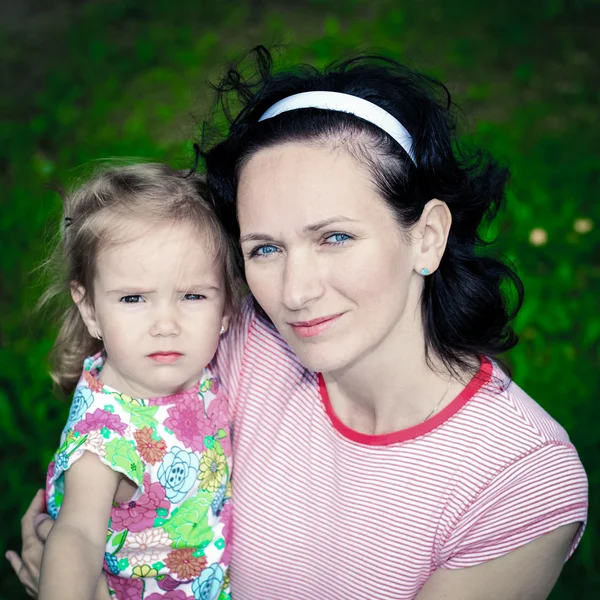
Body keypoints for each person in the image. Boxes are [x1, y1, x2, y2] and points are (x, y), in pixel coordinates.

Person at [8, 48, 588, 600]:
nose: (296, 291)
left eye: (334, 237)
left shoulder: (521, 481)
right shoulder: (236, 347)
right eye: (264, 249)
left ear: (427, 237)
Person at [30, 164, 238, 600]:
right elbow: (77, 537)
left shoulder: (198, 366)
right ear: (90, 311)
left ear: (226, 309)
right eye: (133, 298)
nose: (166, 324)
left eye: (193, 296)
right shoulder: (105, 438)